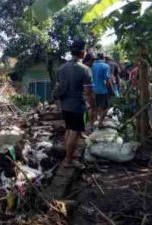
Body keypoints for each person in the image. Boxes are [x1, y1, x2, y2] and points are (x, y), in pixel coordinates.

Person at [54, 40, 94, 169]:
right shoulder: (85, 70)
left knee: (69, 129)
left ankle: (68, 155)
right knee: (74, 133)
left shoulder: (61, 68)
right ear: (82, 52)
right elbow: (88, 92)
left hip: (65, 105)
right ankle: (68, 160)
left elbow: (59, 87)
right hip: (76, 106)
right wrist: (93, 107)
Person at [92, 53, 112, 128]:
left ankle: (94, 123)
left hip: (93, 89)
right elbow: (107, 79)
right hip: (102, 89)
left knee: (97, 107)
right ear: (103, 58)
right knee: (105, 108)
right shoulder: (106, 66)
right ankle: (100, 123)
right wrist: (110, 89)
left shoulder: (93, 65)